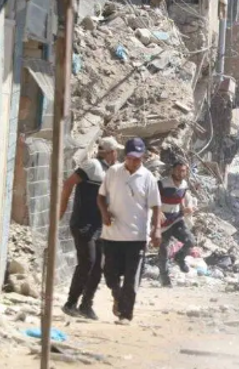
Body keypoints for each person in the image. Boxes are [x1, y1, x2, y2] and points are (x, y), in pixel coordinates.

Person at [97, 137, 162, 324]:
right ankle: (117, 296)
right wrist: (104, 214)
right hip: (112, 235)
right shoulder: (113, 172)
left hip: (136, 237)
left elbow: (156, 206)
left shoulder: (148, 177)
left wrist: (156, 229)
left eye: (138, 158)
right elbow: (101, 197)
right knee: (110, 276)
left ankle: (126, 314)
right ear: (125, 156)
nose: (134, 162)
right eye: (131, 158)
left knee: (132, 280)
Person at [58, 137, 122, 320]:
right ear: (109, 152)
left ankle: (86, 305)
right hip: (83, 223)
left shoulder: (112, 171)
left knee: (98, 266)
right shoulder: (92, 166)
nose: (117, 154)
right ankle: (70, 303)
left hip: (100, 226)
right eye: (115, 151)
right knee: (88, 262)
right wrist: (61, 210)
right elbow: (69, 183)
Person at [157, 160, 197, 286]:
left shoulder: (184, 185)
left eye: (183, 171)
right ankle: (164, 279)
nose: (181, 173)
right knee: (163, 250)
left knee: (190, 241)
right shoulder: (162, 183)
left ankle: (179, 258)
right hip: (162, 222)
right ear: (173, 170)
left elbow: (181, 199)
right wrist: (158, 211)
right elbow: (151, 198)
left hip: (176, 219)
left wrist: (184, 208)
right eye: (178, 170)